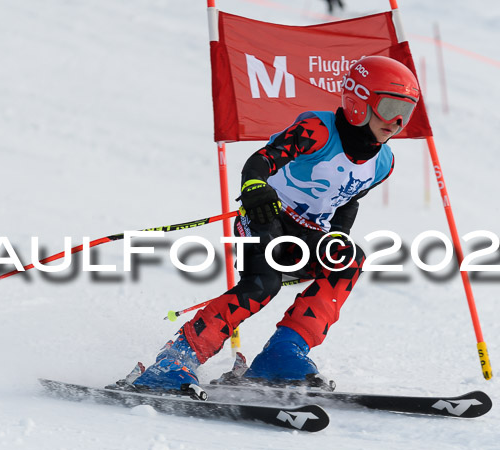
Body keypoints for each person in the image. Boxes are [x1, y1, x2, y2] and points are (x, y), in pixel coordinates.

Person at [111, 56, 421, 393]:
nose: (397, 120)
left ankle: (282, 354)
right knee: (262, 284)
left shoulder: (384, 162)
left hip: (309, 232)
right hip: (264, 216)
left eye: (407, 110)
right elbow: (261, 161)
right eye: (389, 106)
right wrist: (256, 188)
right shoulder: (317, 130)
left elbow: (349, 199)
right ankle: (174, 361)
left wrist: (338, 236)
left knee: (350, 260)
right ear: (359, 100)